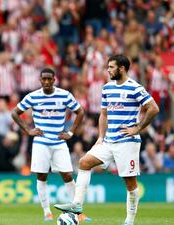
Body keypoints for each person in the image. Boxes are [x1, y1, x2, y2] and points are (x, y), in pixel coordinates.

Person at [54, 54, 159, 225]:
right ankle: (77, 205)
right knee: (84, 162)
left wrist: (137, 127)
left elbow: (153, 108)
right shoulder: (107, 88)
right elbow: (104, 114)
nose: (108, 70)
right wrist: (101, 137)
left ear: (122, 68)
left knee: (130, 183)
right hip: (108, 140)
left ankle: (129, 221)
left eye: (111, 67)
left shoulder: (135, 88)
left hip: (127, 142)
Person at [11, 68, 90, 222]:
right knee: (42, 176)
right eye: (44, 79)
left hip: (59, 142)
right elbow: (15, 113)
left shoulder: (64, 95)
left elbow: (80, 112)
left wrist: (71, 132)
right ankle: (47, 211)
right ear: (40, 80)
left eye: (49, 79)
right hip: (41, 142)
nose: (46, 82)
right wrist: (28, 130)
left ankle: (78, 212)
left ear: (54, 80)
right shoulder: (33, 96)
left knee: (67, 174)